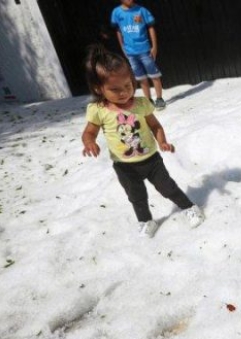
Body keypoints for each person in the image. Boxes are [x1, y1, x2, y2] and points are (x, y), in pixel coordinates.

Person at [80, 45, 204, 238]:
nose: (123, 92)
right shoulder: (98, 109)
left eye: (128, 85)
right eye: (115, 89)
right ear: (99, 88)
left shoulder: (141, 104)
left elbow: (155, 126)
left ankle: (189, 207)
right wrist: (89, 142)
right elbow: (89, 132)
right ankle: (146, 221)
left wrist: (162, 141)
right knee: (136, 197)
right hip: (124, 166)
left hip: (151, 161)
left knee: (168, 188)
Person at [111, 0, 166, 110]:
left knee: (154, 75)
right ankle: (148, 100)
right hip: (130, 52)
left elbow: (151, 28)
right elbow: (118, 30)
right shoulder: (116, 13)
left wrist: (154, 46)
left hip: (145, 50)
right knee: (141, 78)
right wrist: (123, 48)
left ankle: (159, 99)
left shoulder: (142, 10)